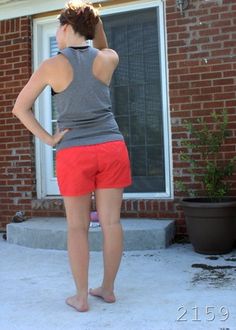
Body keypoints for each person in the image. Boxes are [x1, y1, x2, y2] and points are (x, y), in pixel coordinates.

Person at [12, 0, 132, 312]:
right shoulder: (108, 58)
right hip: (111, 147)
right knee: (112, 223)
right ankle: (107, 289)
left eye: (57, 27)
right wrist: (97, 24)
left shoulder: (52, 65)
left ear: (65, 28)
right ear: (91, 28)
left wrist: (50, 138)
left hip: (73, 152)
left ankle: (80, 297)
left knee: (77, 227)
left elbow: (19, 108)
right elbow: (103, 46)